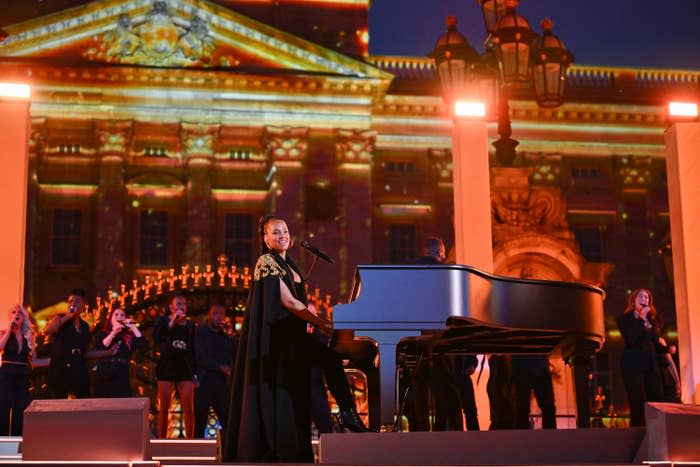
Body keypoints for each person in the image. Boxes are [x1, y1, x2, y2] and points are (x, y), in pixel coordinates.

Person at [223, 215, 369, 463]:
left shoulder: (289, 264)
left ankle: (347, 415)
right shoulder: (266, 262)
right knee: (328, 357)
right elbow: (289, 302)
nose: (283, 235)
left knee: (324, 365)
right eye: (276, 232)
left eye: (285, 231)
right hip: (280, 339)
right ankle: (347, 415)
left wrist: (319, 322)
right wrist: (322, 324)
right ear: (266, 238)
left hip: (294, 335)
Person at [617, 288, 664, 427]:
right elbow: (631, 339)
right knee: (638, 402)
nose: (645, 300)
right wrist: (641, 318)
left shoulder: (652, 321)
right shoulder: (624, 319)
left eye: (647, 298)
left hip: (650, 365)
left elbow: (654, 342)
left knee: (657, 400)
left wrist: (667, 348)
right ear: (634, 300)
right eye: (641, 296)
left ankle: (657, 435)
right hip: (633, 365)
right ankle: (637, 436)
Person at [154, 292, 196, 438]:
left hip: (185, 367)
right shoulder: (163, 320)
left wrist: (195, 373)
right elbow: (157, 337)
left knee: (188, 407)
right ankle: (162, 439)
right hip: (167, 365)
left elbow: (193, 349)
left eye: (183, 304)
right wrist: (172, 321)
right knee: (164, 406)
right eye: (178, 304)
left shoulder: (190, 325)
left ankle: (190, 440)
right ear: (171, 307)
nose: (181, 306)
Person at [194, 303, 237, 438]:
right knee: (199, 421)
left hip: (221, 384)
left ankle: (228, 453)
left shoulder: (225, 334)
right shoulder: (200, 332)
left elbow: (236, 353)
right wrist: (219, 367)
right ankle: (196, 454)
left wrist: (230, 336)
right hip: (204, 381)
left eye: (221, 314)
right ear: (209, 315)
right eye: (215, 313)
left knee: (227, 419)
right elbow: (200, 357)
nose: (218, 316)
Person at [45, 288, 93, 399]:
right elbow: (47, 330)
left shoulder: (85, 326)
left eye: (77, 301)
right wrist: (68, 316)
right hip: (61, 368)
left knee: (83, 400)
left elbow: (86, 350)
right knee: (59, 401)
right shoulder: (60, 318)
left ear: (83, 305)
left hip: (78, 367)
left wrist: (109, 352)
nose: (73, 304)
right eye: (70, 301)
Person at [91, 307, 147, 397]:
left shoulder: (128, 336)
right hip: (104, 371)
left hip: (122, 371)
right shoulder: (102, 333)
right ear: (111, 319)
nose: (119, 317)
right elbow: (102, 347)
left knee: (121, 400)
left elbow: (143, 344)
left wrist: (133, 327)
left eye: (122, 315)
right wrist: (113, 333)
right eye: (116, 314)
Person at [0, 304, 36, 435]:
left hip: (22, 375)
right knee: (3, 410)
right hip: (6, 375)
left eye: (19, 313)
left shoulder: (27, 336)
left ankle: (17, 444)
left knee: (20, 410)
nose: (16, 315)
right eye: (13, 312)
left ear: (23, 317)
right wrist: (10, 329)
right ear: (9, 316)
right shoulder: (4, 333)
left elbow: (32, 357)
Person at [510, 355, 556, 429]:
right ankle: (551, 438)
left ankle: (521, 438)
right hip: (537, 359)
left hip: (521, 361)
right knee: (548, 408)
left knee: (521, 409)